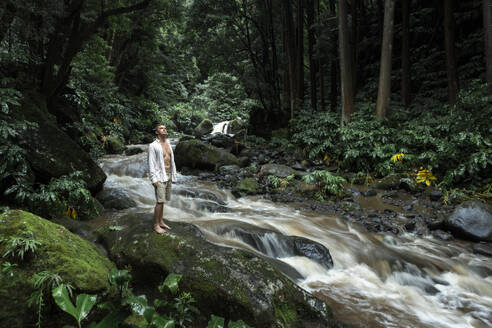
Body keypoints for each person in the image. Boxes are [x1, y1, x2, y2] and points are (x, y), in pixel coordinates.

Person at [148, 123, 177, 234]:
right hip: (159, 176)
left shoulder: (168, 143)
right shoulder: (153, 145)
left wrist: (173, 176)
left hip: (168, 175)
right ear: (156, 132)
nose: (164, 130)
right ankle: (156, 225)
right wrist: (153, 179)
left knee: (163, 200)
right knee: (159, 201)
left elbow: (171, 161)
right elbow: (151, 163)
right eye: (161, 128)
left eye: (165, 128)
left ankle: (160, 221)